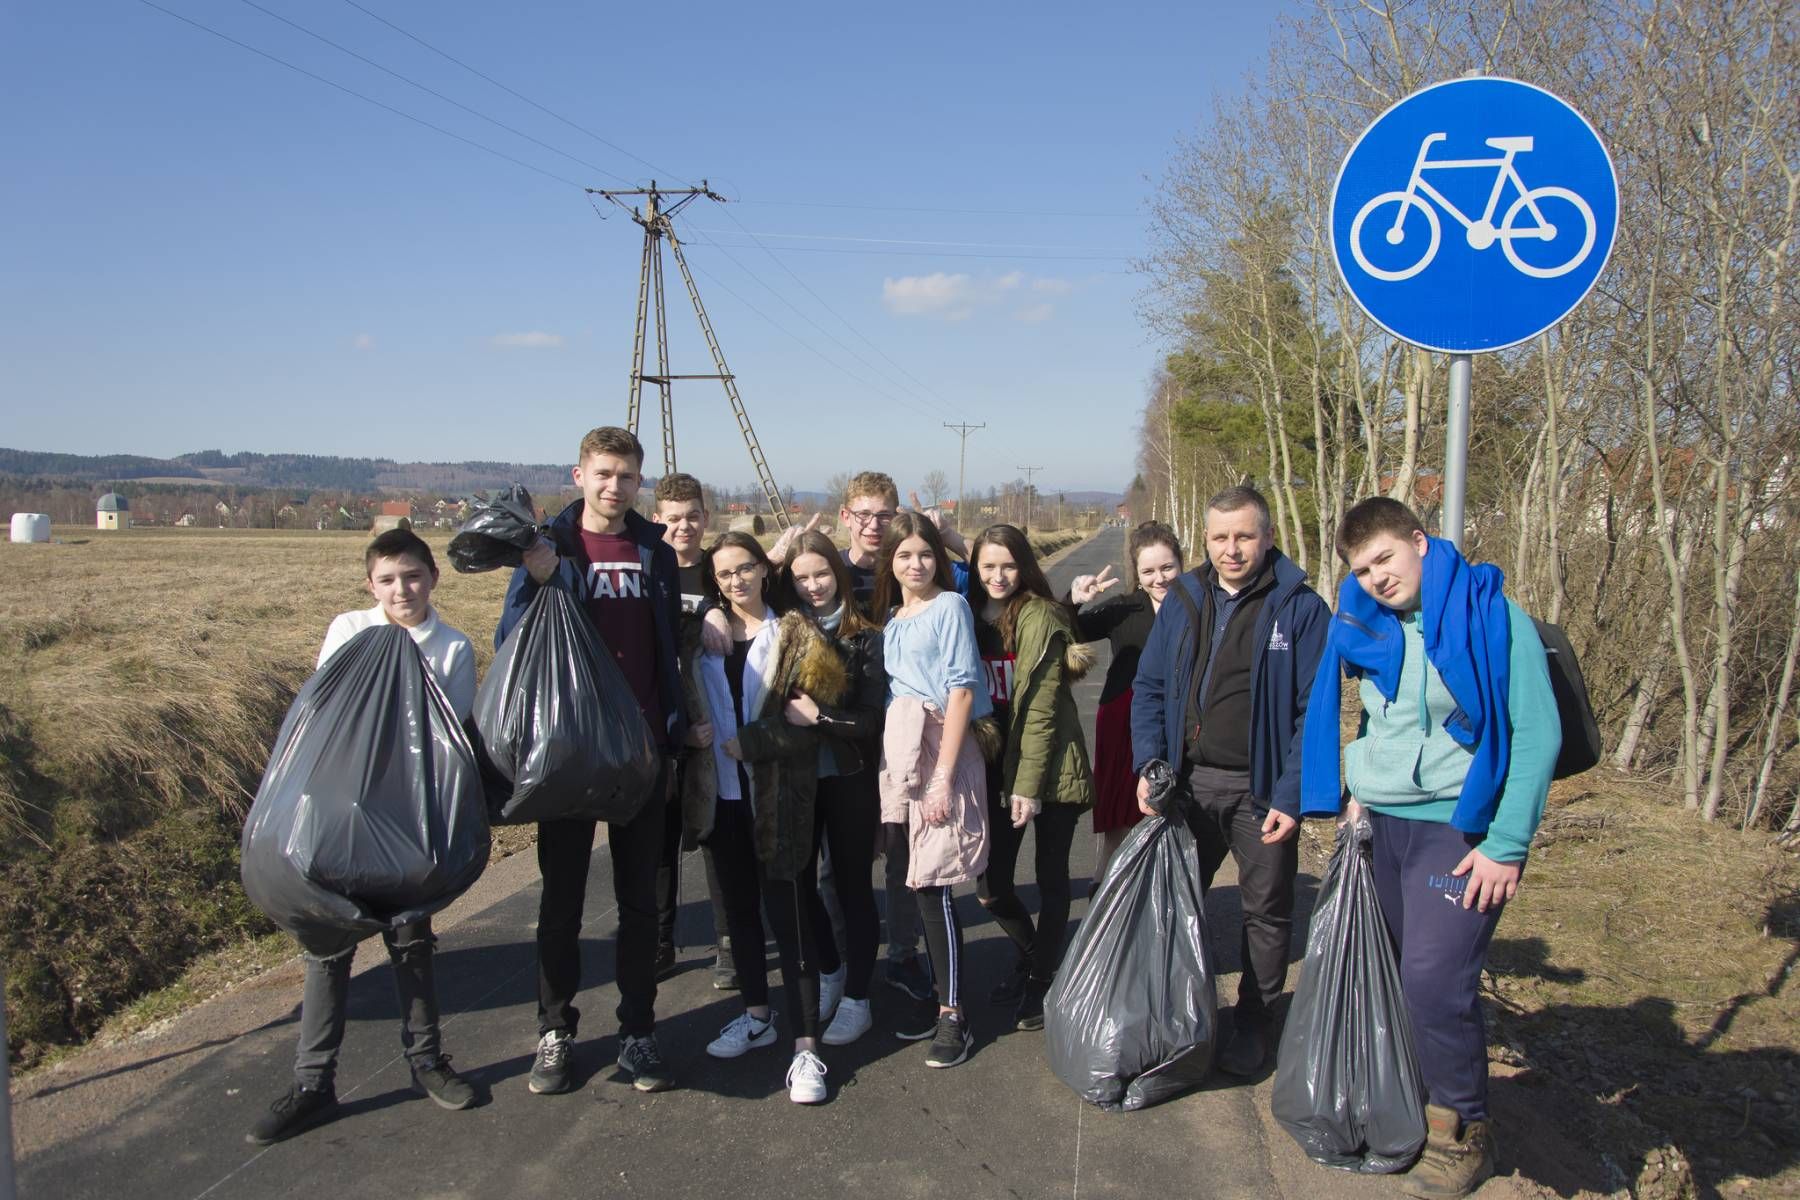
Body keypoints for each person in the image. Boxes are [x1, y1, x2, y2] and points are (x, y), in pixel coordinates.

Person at [1300, 498, 1559, 1197]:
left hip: (1457, 830)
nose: (1377, 578)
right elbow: (1375, 723)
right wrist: (1357, 789)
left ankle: (1462, 1128)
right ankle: (1402, 1098)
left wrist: (1506, 844)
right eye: (1362, 569)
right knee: (1387, 972)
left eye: (1385, 558)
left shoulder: (1492, 616)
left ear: (1419, 541)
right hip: (1381, 825)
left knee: (1434, 982)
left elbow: (1537, 735)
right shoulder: (1367, 623)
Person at [247, 529, 478, 1145]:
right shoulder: (349, 630)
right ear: (370, 585)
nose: (402, 590)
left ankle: (427, 1062)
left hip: (405, 818)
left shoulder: (453, 646)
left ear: (433, 577)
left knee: (412, 940)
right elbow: (325, 714)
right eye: (388, 580)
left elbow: (449, 735)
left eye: (413, 576)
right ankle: (313, 1083)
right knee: (327, 947)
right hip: (337, 816)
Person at [499, 426, 683, 1097]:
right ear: (579, 475)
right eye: (603, 473)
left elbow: (668, 643)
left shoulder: (654, 550)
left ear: (640, 482)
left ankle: (638, 1032)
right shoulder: (550, 545)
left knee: (640, 905)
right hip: (570, 752)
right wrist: (541, 578)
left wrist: (672, 728)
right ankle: (556, 1032)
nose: (615, 486)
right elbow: (512, 636)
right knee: (562, 904)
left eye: (627, 475)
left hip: (641, 751)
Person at [1129, 486, 1329, 1078]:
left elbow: (1313, 714)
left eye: (1244, 536)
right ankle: (1176, 1016)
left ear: (1267, 537)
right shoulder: (1185, 597)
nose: (1231, 549)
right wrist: (1149, 764)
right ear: (1206, 539)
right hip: (1189, 784)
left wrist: (1291, 796)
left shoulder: (1301, 608)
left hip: (1260, 792)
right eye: (1220, 537)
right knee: (1173, 905)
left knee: (1266, 913)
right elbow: (1150, 688)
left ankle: (1254, 1023)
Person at [680, 531, 840, 1103]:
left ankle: (806, 1048)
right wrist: (687, 733)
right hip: (721, 798)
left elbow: (810, 724)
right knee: (740, 918)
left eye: (745, 568)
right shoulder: (697, 639)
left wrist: (754, 741)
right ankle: (756, 1015)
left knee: (790, 920)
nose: (736, 581)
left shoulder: (798, 635)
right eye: (724, 574)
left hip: (779, 799)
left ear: (765, 570)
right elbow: (675, 700)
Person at [874, 513, 992, 1069]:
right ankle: (941, 996)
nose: (916, 564)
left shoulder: (950, 606)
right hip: (902, 755)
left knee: (934, 884)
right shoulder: (893, 618)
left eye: (925, 554)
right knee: (912, 875)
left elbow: (962, 690)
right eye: (904, 555)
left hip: (942, 750)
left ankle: (953, 1015)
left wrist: (944, 775)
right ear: (890, 562)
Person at [966, 524, 1095, 1032]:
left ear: (1024, 565)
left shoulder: (1038, 615)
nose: (998, 576)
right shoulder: (968, 615)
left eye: (1009, 565)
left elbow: (1040, 711)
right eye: (988, 566)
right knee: (991, 886)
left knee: (1051, 876)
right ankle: (1036, 956)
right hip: (1000, 763)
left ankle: (1042, 980)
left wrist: (1027, 786)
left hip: (1052, 765)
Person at [780, 529, 888, 1045]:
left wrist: (819, 717)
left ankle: (858, 998)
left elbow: (869, 721)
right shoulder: (783, 631)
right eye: (801, 578)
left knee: (852, 889)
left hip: (848, 777)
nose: (813, 586)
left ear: (838, 573)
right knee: (800, 888)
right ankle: (830, 972)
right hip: (797, 780)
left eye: (821, 573)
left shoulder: (864, 635)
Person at [650, 472, 737, 992]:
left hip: (714, 725)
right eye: (673, 519)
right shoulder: (650, 569)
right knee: (660, 840)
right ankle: (662, 939)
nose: (683, 527)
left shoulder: (717, 570)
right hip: (664, 725)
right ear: (657, 519)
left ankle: (729, 941)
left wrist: (717, 605)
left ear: (706, 517)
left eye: (692, 517)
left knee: (716, 837)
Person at [1066, 521, 1183, 882]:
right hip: (1122, 718)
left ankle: (1160, 887)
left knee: (1169, 809)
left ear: (1181, 563)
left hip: (1180, 719)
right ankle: (1106, 885)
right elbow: (1070, 630)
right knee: (1119, 811)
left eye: (1167, 567)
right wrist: (1074, 600)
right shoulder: (1125, 608)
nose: (1159, 578)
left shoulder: (1198, 608)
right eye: (1149, 571)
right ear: (1137, 573)